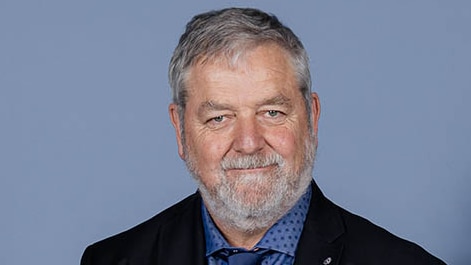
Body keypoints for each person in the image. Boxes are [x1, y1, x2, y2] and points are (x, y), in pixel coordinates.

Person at [81, 7, 445, 265]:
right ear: (180, 130)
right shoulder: (113, 260)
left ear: (312, 119)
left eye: (272, 112)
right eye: (220, 117)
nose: (249, 142)